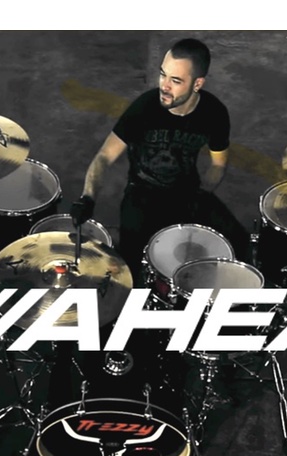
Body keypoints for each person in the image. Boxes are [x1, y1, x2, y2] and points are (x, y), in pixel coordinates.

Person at [70, 38, 235, 280]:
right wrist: (88, 197)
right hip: (142, 194)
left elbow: (218, 164)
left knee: (233, 246)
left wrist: (202, 195)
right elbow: (104, 156)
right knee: (130, 266)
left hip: (187, 194)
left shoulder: (215, 113)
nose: (164, 86)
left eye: (175, 80)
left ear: (197, 84)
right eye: (162, 75)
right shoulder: (144, 108)